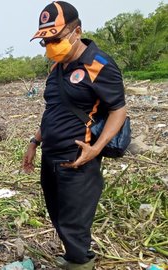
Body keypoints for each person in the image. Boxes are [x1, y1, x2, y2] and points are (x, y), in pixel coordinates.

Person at [22, 1, 128, 269]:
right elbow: (53, 110)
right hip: (51, 153)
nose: (50, 47)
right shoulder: (56, 68)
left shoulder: (99, 64)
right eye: (44, 42)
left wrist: (96, 149)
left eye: (55, 39)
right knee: (57, 211)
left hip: (79, 155)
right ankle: (73, 256)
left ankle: (80, 262)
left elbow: (118, 110)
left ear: (76, 31)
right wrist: (35, 141)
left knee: (75, 220)